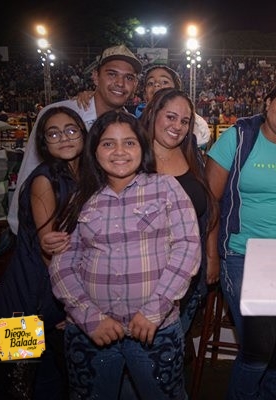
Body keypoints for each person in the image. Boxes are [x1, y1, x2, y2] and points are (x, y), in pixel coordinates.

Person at [50, 110, 201, 399]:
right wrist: (88, 317)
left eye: (129, 143)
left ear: (142, 148)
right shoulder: (81, 197)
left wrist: (154, 310)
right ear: (94, 151)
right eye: (108, 144)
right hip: (92, 332)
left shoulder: (165, 187)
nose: (119, 152)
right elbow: (63, 263)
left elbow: (187, 247)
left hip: (154, 330)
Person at [205, 80, 276, 399]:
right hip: (242, 255)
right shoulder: (239, 137)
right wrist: (212, 256)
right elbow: (211, 201)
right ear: (267, 103)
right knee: (258, 346)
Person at [0, 107, 87, 400]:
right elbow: (50, 251)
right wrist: (74, 304)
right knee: (19, 388)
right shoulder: (45, 180)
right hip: (22, 304)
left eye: (71, 130)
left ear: (83, 134)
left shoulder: (84, 176)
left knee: (52, 384)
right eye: (53, 134)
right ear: (44, 143)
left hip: (52, 299)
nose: (64, 138)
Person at [8, 44, 142, 235]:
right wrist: (18, 227)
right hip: (52, 230)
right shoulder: (59, 115)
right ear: (95, 76)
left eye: (129, 77)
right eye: (112, 74)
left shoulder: (132, 125)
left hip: (105, 230)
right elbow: (30, 170)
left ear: (135, 84)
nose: (120, 83)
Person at [139, 87, 219, 334]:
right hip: (143, 281)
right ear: (153, 114)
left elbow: (208, 207)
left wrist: (211, 255)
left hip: (187, 278)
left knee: (172, 347)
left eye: (185, 121)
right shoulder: (131, 157)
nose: (178, 126)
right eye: (171, 117)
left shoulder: (190, 152)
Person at [78, 65, 212, 148]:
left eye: (164, 81)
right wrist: (95, 96)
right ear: (145, 94)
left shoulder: (194, 125)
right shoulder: (133, 122)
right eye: (150, 83)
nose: (157, 85)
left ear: (177, 90)